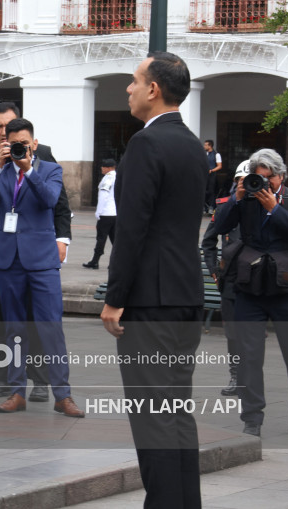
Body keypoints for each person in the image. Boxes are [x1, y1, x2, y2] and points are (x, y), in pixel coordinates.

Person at [100, 51, 207, 509]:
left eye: (134, 80)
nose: (128, 88)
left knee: (152, 418)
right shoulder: (192, 144)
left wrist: (114, 298)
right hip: (186, 295)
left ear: (154, 89)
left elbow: (133, 229)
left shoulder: (147, 144)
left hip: (150, 301)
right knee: (176, 412)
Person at [0, 117, 84, 419]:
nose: (20, 148)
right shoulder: (1, 171)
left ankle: (63, 395)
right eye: (13, 144)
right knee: (14, 328)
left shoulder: (50, 170)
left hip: (41, 261)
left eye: (24, 143)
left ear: (34, 143)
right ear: (4, 144)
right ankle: (17, 392)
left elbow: (50, 200)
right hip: (7, 260)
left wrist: (28, 170)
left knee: (51, 328)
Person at [213, 148, 288, 439]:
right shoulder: (245, 197)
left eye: (269, 178)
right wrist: (237, 199)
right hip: (250, 287)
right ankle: (252, 418)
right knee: (249, 357)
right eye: (258, 178)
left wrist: (274, 208)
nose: (263, 184)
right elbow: (219, 227)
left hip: (286, 287)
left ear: (281, 176)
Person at [201, 159, 249, 396]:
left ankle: (251, 377)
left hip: (257, 281)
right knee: (233, 333)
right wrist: (214, 270)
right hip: (231, 279)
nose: (246, 185)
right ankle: (236, 376)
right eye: (241, 180)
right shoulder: (224, 207)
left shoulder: (268, 205)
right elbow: (208, 242)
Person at [83, 158, 117, 269]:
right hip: (115, 213)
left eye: (103, 166)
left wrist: (98, 211)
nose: (102, 168)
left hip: (106, 213)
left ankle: (95, 261)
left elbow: (103, 197)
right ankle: (115, 263)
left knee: (101, 238)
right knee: (115, 240)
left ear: (109, 168)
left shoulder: (108, 179)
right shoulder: (117, 177)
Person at [204, 139, 222, 214]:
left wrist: (212, 170)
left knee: (211, 191)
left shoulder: (216, 154)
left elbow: (219, 166)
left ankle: (211, 206)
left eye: (206, 145)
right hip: (205, 174)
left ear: (210, 146)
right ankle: (204, 207)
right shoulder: (204, 154)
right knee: (204, 190)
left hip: (212, 175)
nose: (204, 146)